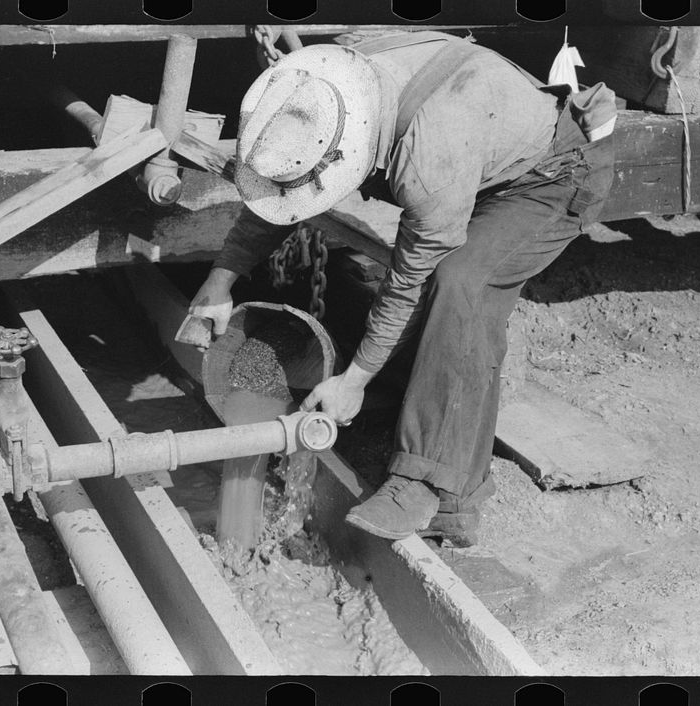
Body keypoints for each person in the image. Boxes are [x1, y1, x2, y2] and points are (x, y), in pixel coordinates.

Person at [186, 31, 616, 546]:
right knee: (449, 289)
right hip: (483, 156)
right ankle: (431, 462)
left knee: (460, 284)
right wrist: (220, 279)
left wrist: (354, 380)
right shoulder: (324, 87)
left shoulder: (429, 157)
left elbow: (406, 282)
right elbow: (282, 189)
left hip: (551, 175)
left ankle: (427, 485)